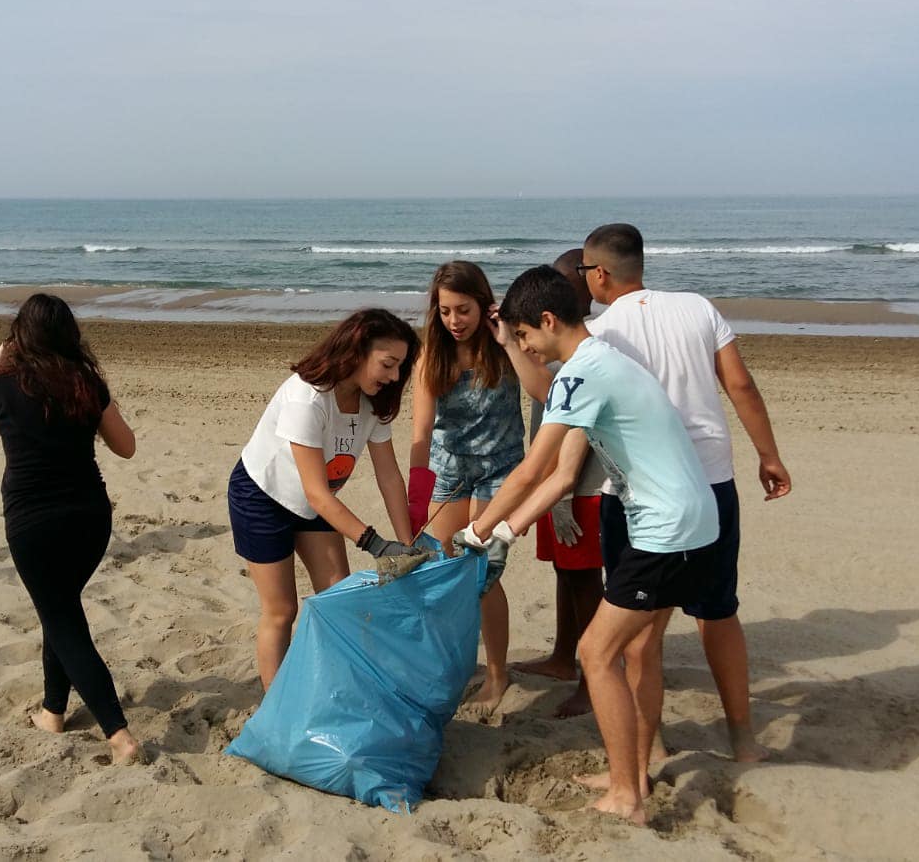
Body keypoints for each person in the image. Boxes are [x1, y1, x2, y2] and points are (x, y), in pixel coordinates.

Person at [454, 265, 719, 823]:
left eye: (523, 336)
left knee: (597, 654)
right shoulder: (603, 363)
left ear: (547, 321)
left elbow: (529, 469)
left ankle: (627, 796)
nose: (522, 347)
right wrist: (505, 531)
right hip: (692, 519)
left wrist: (472, 533)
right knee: (634, 650)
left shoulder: (578, 376)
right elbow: (560, 477)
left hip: (664, 530)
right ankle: (633, 771)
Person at [580, 223, 790, 766]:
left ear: (600, 273)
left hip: (641, 493)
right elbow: (739, 384)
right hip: (713, 480)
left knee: (640, 628)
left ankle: (649, 749)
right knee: (718, 611)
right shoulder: (699, 307)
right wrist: (768, 455)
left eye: (586, 271)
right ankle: (742, 737)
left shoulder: (600, 333)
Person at [0, 294, 145, 765]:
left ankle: (118, 733)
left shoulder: (4, 385)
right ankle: (53, 711)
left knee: (63, 619)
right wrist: (103, 398)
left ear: (19, 336)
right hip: (90, 519)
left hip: (33, 524)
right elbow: (126, 446)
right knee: (59, 609)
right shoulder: (85, 382)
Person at [230, 308, 418, 690]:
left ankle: (338, 683)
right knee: (282, 610)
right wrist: (377, 545)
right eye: (388, 364)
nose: (395, 376)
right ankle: (276, 704)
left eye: (400, 366)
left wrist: (408, 544)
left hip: (317, 501)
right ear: (357, 351)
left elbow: (390, 476)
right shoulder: (308, 396)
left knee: (339, 599)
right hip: (263, 497)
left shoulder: (375, 402)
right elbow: (316, 493)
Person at [407, 260, 525, 714]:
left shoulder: (506, 346)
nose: (454, 321)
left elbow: (545, 392)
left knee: (481, 575)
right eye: (445, 312)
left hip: (500, 471)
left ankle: (497, 675)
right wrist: (418, 500)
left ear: (483, 304)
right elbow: (420, 432)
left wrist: (509, 340)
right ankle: (445, 666)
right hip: (449, 470)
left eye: (463, 310)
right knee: (438, 569)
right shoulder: (431, 356)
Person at [511, 250, 608, 719]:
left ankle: (595, 679)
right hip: (555, 480)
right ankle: (563, 656)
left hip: (582, 486)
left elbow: (580, 427)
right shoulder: (556, 348)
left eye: (567, 280)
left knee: (586, 577)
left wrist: (562, 493)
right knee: (566, 572)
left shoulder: (589, 348)